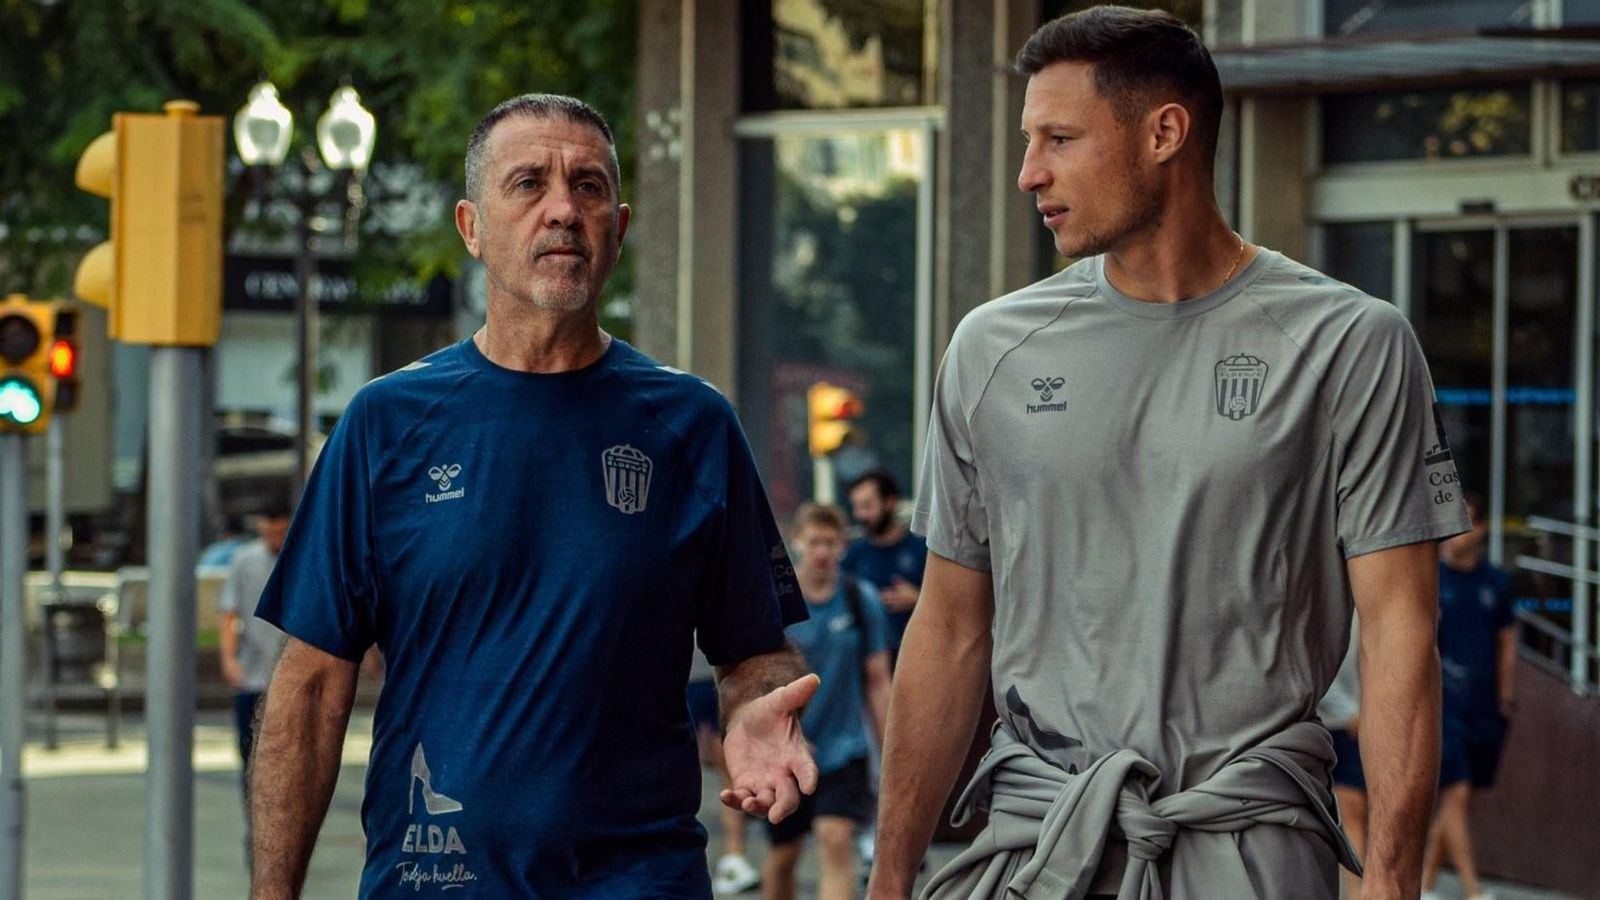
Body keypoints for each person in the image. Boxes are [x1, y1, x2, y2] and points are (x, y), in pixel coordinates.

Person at [865, 8, 1470, 900]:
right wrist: (888, 878)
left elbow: (1398, 631)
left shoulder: (1351, 343)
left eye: (1060, 139)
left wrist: (1390, 882)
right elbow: (951, 628)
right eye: (1031, 140)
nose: (1030, 173)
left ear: (1165, 132)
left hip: (1249, 848)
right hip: (1039, 848)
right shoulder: (992, 349)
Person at [247, 93, 819, 900]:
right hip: (433, 878)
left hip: (638, 881)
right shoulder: (386, 425)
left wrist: (757, 707)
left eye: (588, 187)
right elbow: (307, 691)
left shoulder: (692, 426)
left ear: (617, 228)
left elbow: (755, 652)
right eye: (527, 184)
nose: (563, 210)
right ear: (472, 228)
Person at [766, 504, 892, 900]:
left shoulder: (859, 598)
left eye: (831, 542)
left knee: (835, 839)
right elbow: (756, 681)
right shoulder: (775, 602)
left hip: (844, 748)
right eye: (814, 541)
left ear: (842, 546)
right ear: (798, 543)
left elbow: (877, 679)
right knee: (784, 855)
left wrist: (891, 749)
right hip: (786, 751)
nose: (822, 551)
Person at [1421, 494, 1516, 900]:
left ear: (1478, 529)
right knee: (1457, 795)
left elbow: (1507, 642)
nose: (1448, 534)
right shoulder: (1432, 580)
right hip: (1445, 707)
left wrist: (1505, 697)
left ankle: (1424, 885)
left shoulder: (1497, 583)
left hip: (1485, 710)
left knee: (1460, 802)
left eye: (1458, 523)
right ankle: (1474, 893)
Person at [217, 499, 292, 868]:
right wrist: (229, 659)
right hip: (253, 677)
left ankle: (282, 832)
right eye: (268, 529)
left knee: (287, 762)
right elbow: (228, 611)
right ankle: (257, 831)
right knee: (251, 760)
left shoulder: (300, 555)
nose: (274, 536)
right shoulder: (245, 560)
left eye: (280, 529)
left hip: (288, 681)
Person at [687, 647, 762, 895]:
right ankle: (731, 857)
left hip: (718, 677)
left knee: (729, 769)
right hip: (687, 679)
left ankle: (734, 856)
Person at [843, 469, 927, 669]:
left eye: (867, 506)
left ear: (889, 502)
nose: (860, 515)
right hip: (868, 661)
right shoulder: (854, 555)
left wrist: (918, 599)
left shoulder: (921, 550)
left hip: (916, 658)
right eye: (856, 507)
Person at [1318, 614, 1366, 900]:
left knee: (1361, 809)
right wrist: (1350, 714)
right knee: (1352, 806)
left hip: (1361, 718)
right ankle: (1357, 892)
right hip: (1331, 719)